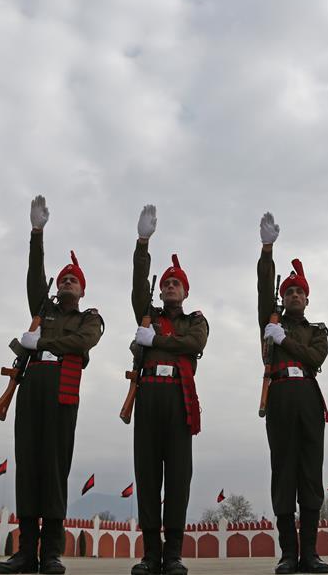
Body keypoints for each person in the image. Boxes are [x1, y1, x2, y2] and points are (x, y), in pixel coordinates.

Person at [0, 196, 104, 575]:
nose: (66, 282)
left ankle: (52, 552)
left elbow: (82, 343)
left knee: (55, 467)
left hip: (62, 388)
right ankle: (25, 551)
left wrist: (40, 343)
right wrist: (36, 234)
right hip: (32, 385)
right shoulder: (43, 309)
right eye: (62, 279)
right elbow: (33, 274)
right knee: (27, 466)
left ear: (82, 289)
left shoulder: (89, 317)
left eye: (73, 279)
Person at [130, 205, 207, 575]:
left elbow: (194, 344)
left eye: (176, 283)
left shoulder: (195, 320)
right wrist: (142, 245)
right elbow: (137, 285)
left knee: (177, 477)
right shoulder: (148, 314)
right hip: (148, 398)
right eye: (166, 283)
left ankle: (173, 553)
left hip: (179, 399)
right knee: (146, 476)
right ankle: (150, 554)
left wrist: (158, 338)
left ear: (186, 290)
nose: (169, 286)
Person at [259, 212, 328, 574]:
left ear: (307, 297)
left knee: (310, 473)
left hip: (307, 395)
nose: (294, 295)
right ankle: (289, 553)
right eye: (289, 291)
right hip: (281, 397)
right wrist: (267, 252)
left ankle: (310, 554)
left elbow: (315, 357)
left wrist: (284, 339)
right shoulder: (270, 321)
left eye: (299, 291)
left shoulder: (318, 330)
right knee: (283, 471)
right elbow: (262, 290)